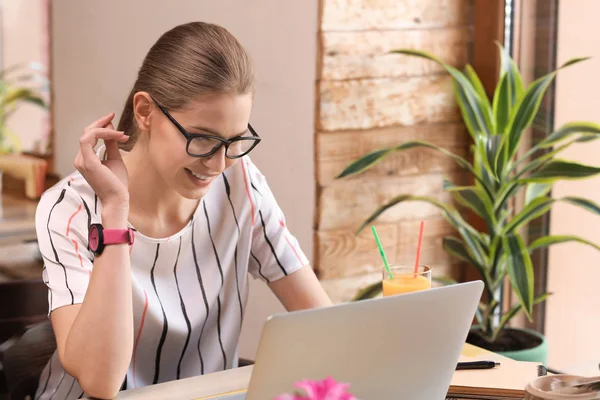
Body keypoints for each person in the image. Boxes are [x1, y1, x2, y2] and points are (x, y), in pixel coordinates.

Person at [34, 21, 332, 400]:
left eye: (234, 140)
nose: (219, 163)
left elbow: (323, 322)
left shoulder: (241, 183)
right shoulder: (70, 208)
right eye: (202, 138)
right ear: (145, 111)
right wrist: (115, 210)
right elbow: (100, 380)